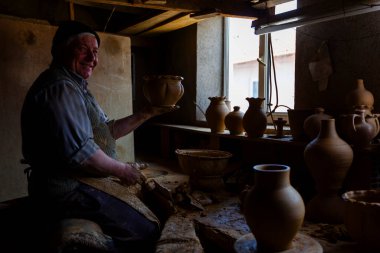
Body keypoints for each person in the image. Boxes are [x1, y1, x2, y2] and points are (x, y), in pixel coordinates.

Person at [20, 20, 177, 252]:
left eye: (95, 52)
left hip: (81, 180)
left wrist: (148, 112)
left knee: (148, 206)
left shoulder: (77, 86)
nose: (93, 59)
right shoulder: (60, 88)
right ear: (61, 49)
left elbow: (107, 132)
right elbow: (83, 155)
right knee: (146, 229)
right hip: (64, 189)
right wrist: (122, 170)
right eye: (84, 50)